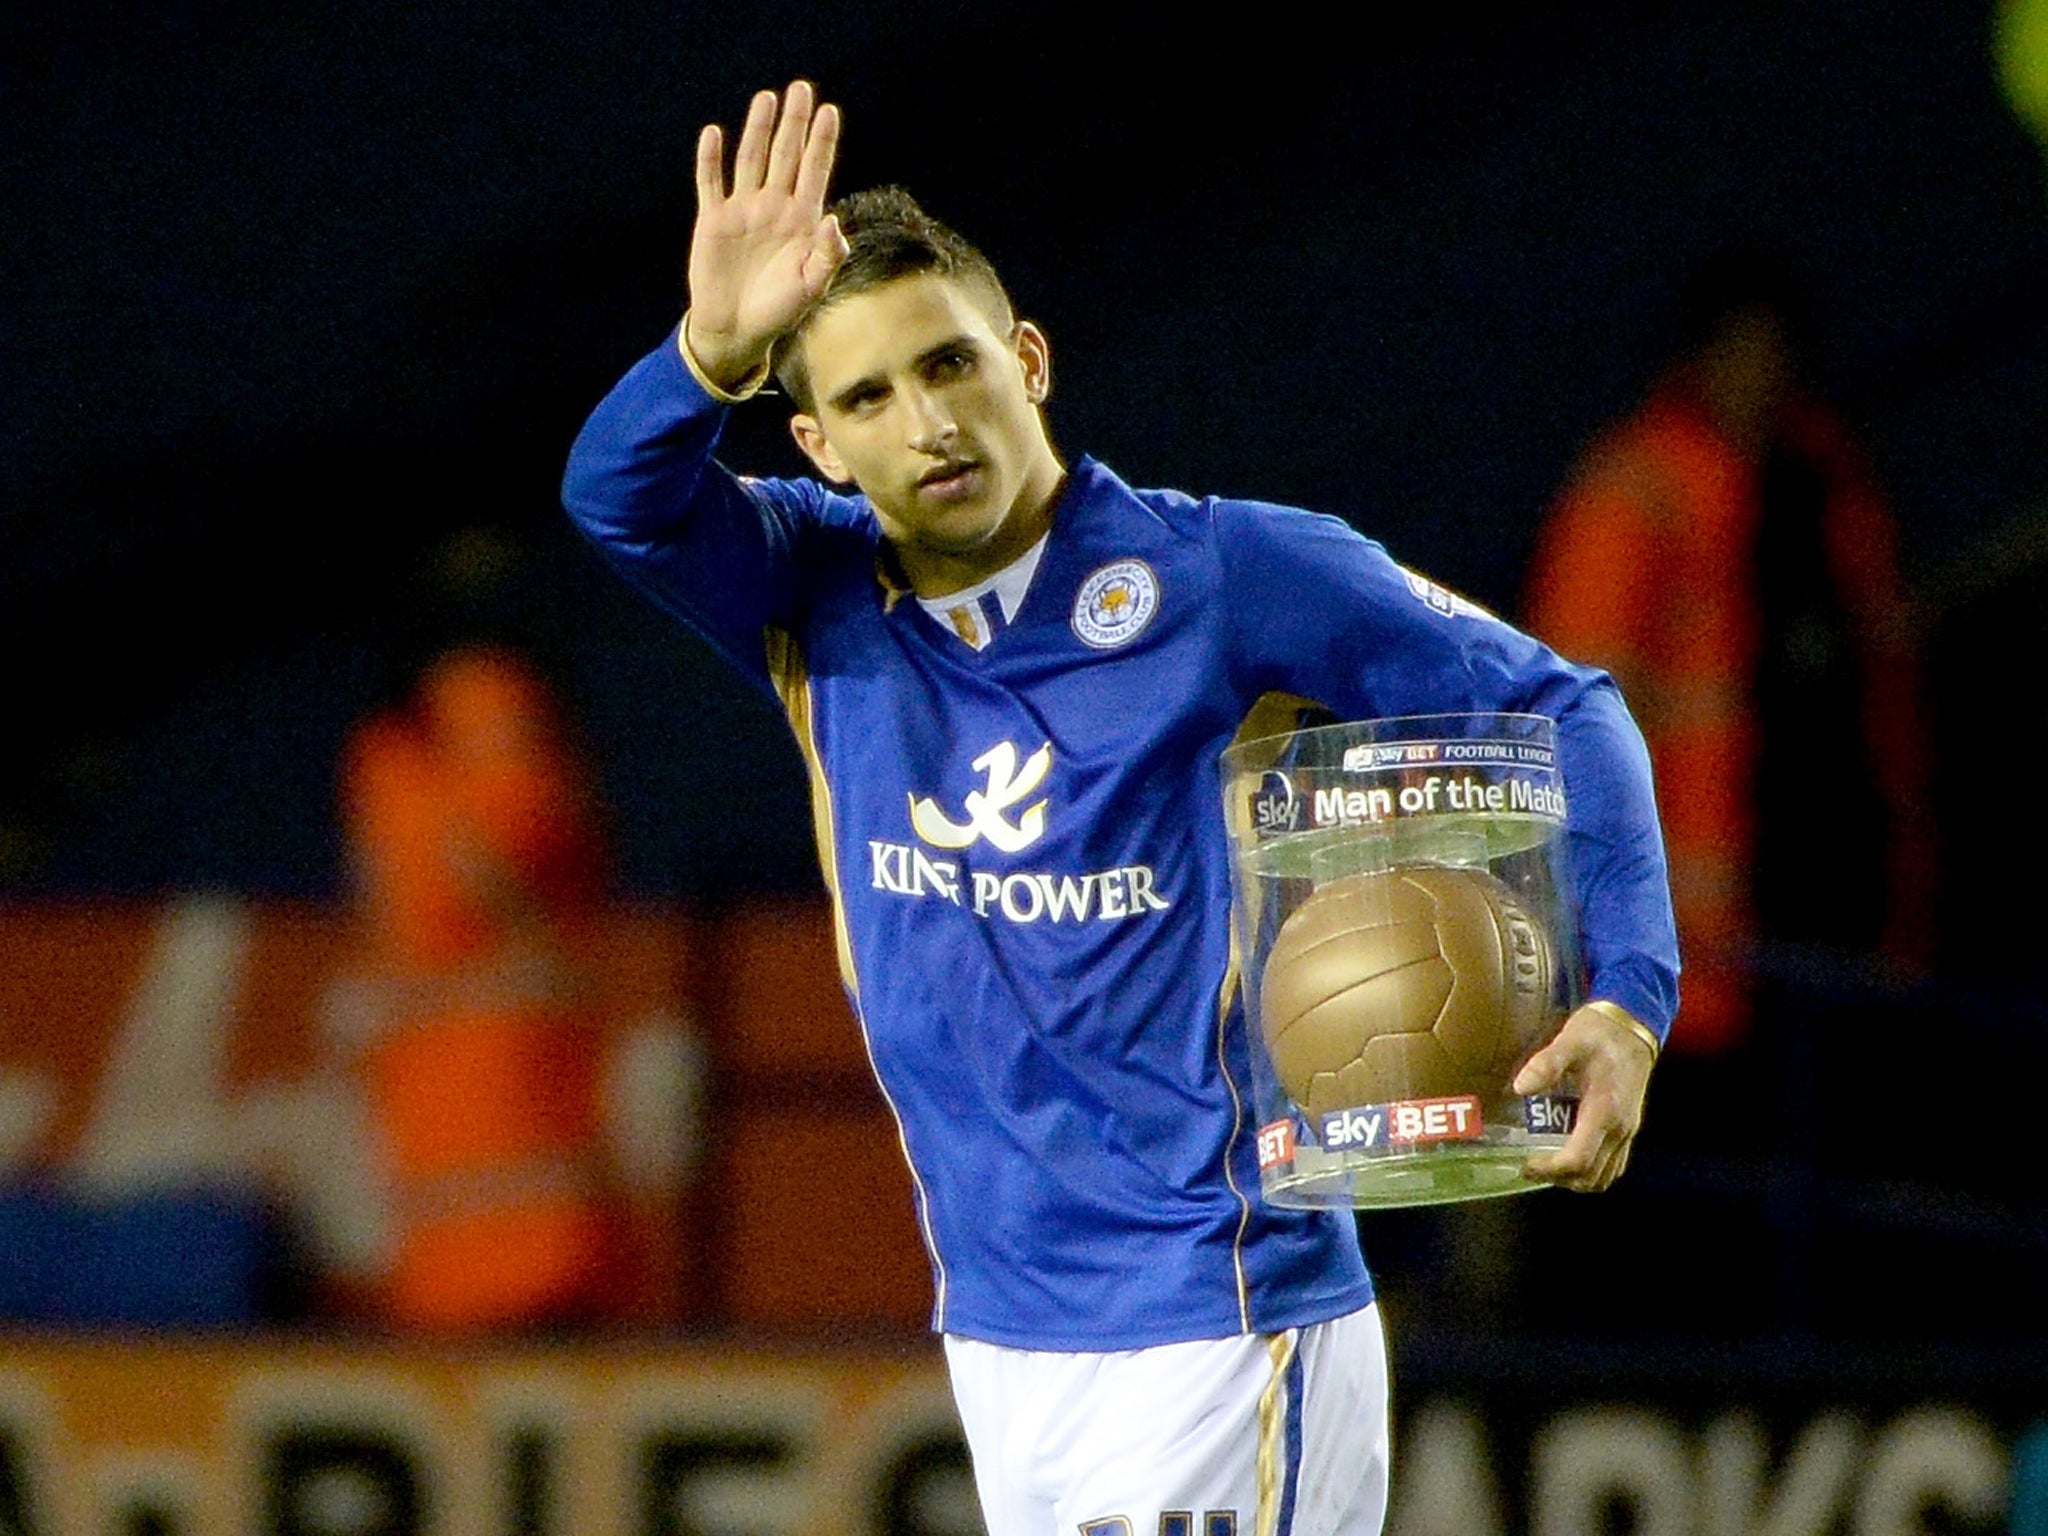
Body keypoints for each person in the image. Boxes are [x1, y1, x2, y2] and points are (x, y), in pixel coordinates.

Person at [562, 82, 1677, 1536]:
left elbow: (1563, 703)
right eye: (867, 398)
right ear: (820, 446)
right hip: (1002, 1333)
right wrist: (704, 356)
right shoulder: (809, 592)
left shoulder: (1229, 576)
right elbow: (619, 499)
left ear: (1027, 361)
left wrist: (1632, 995)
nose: (927, 423)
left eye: (950, 364)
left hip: (1221, 1313)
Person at [1522, 255, 1933, 1062]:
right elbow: (1571, 729)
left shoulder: (1829, 482)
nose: (1761, 378)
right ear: (1699, 360)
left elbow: (1883, 686)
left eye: (1777, 357)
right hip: (1688, 951)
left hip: (1835, 897)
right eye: (1743, 353)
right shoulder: (1636, 491)